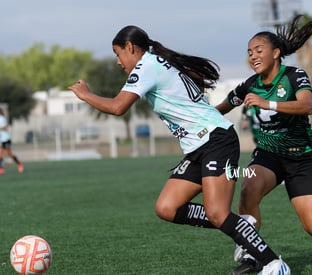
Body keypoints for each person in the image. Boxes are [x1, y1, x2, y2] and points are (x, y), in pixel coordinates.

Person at [69, 25, 290, 275]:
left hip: (216, 140)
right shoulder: (157, 62)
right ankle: (241, 225)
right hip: (199, 145)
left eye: (118, 54)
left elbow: (118, 107)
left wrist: (86, 95)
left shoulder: (146, 66)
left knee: (218, 214)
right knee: (167, 207)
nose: (119, 62)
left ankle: (274, 264)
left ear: (130, 47)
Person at [216, 14, 312, 274]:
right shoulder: (249, 85)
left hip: (301, 158)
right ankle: (250, 254)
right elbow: (220, 108)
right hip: (268, 155)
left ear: (276, 53)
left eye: (259, 50)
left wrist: (266, 103)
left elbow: (307, 106)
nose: (252, 56)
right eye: (249, 52)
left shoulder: (294, 76)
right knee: (249, 188)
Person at [0, 108, 24, 174]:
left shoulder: (2, 118)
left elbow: (5, 127)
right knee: (0, 153)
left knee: (9, 154)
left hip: (5, 138)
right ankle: (1, 168)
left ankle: (19, 163)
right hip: (1, 139)